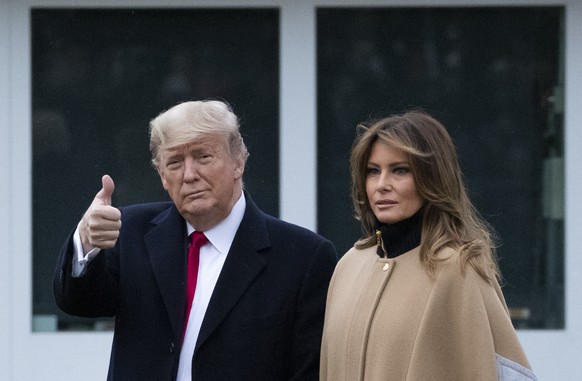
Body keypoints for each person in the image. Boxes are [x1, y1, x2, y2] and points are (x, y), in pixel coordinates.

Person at [53, 99, 338, 381]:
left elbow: (309, 371)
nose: (189, 175)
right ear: (163, 176)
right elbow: (79, 303)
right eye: (175, 162)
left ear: (238, 162)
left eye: (203, 157)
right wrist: (87, 241)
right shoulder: (130, 232)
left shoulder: (303, 257)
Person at [320, 110, 536, 380]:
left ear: (432, 178)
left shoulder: (458, 269)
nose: (382, 185)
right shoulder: (349, 267)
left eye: (399, 170)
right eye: (373, 171)